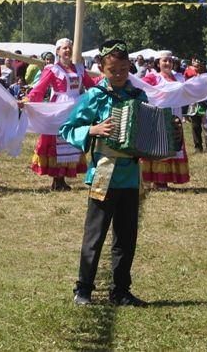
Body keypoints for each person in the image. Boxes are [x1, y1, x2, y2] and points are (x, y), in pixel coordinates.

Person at [60, 38, 147, 307]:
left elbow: (147, 132)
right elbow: (67, 128)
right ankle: (83, 288)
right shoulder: (94, 97)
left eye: (124, 69)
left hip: (131, 176)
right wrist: (92, 130)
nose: (120, 75)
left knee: (126, 236)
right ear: (102, 68)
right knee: (95, 235)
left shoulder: (139, 97)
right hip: (103, 173)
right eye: (113, 71)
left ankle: (120, 290)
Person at [28, 38, 97, 191]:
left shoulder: (79, 68)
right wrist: (29, 100)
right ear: (58, 51)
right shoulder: (52, 69)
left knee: (70, 141)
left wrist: (105, 82)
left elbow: (91, 85)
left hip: (75, 107)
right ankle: (57, 179)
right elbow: (40, 88)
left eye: (69, 48)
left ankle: (63, 178)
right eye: (64, 48)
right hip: (59, 106)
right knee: (57, 141)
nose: (67, 51)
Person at [141, 51, 190, 189]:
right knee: (161, 145)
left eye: (169, 61)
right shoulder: (153, 77)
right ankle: (158, 180)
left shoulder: (179, 77)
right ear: (158, 63)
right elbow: (140, 85)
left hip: (175, 114)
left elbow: (193, 87)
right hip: (160, 115)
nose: (167, 63)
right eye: (164, 61)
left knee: (174, 143)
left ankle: (168, 178)